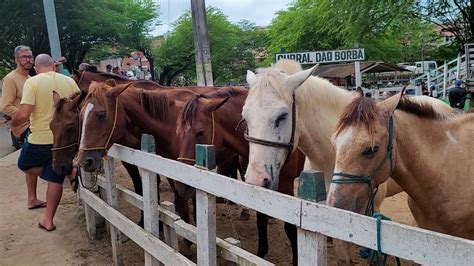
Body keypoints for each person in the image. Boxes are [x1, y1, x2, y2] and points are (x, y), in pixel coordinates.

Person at [11, 54, 80, 231]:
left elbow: (25, 113)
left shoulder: (32, 82)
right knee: (55, 176)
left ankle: (65, 173)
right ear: (54, 66)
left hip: (41, 138)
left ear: (36, 68)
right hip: (64, 140)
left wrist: (14, 124)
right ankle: (47, 220)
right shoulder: (70, 82)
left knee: (24, 164)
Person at [1, 45, 33, 150]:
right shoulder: (10, 79)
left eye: (30, 57)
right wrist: (26, 116)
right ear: (16, 60)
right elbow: (5, 106)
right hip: (23, 130)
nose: (28, 60)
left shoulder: (30, 78)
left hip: (35, 127)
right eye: (24, 57)